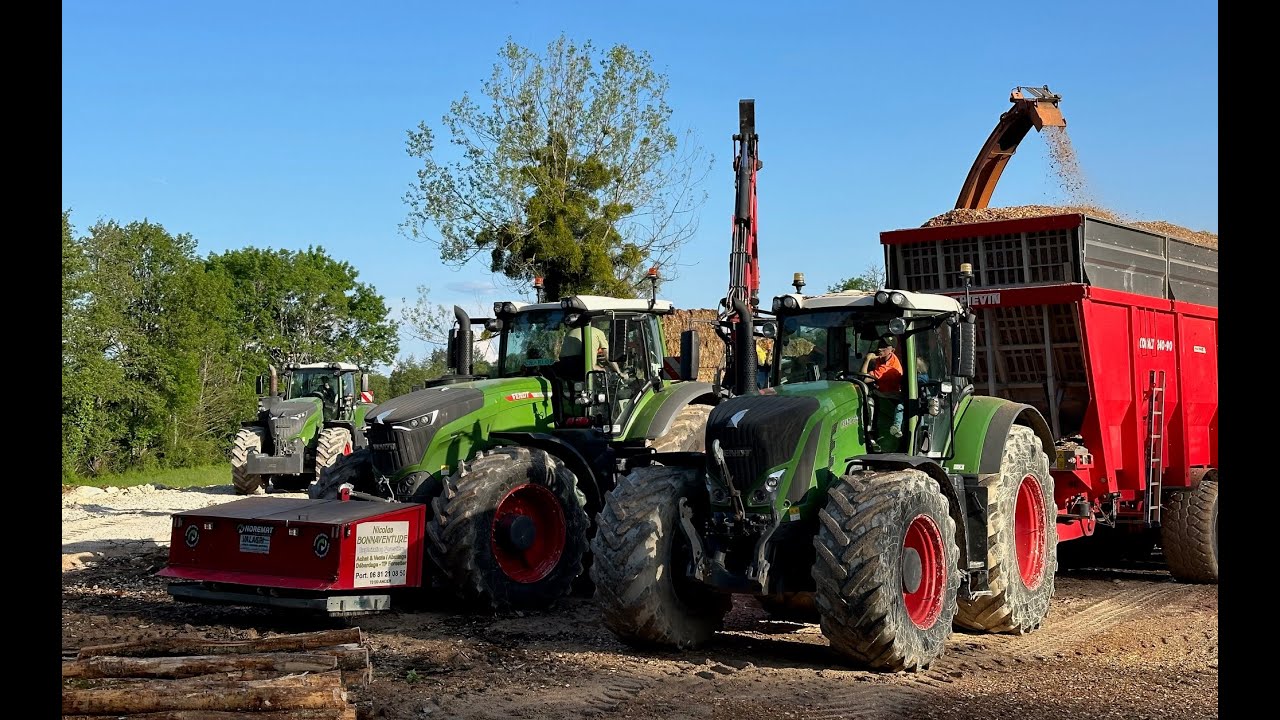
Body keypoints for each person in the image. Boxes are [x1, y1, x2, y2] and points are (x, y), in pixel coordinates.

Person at [860, 338, 903, 437]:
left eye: (884, 346)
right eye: (879, 344)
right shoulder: (887, 357)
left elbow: (863, 379)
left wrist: (867, 359)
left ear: (892, 350)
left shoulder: (889, 368)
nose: (880, 348)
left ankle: (869, 432)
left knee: (868, 401)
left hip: (889, 400)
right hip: (882, 393)